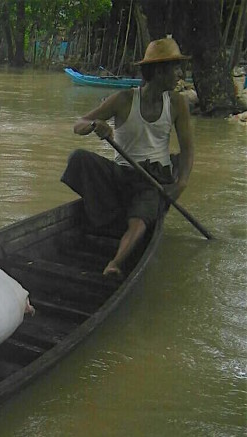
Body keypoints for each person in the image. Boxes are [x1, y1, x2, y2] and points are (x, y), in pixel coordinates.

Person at [61, 37, 194, 278]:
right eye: (175, 68)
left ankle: (115, 262)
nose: (180, 74)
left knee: (140, 219)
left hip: (153, 180)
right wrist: (95, 125)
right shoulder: (124, 100)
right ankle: (109, 211)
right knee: (78, 158)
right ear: (159, 71)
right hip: (121, 174)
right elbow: (78, 124)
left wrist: (181, 183)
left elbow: (187, 149)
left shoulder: (177, 103)